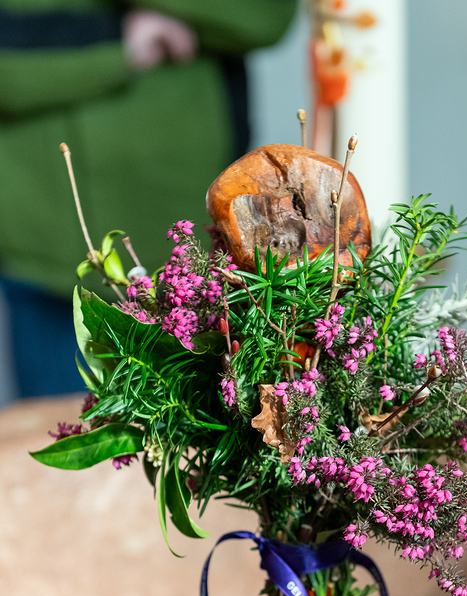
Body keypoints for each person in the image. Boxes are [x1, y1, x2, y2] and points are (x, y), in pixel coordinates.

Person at [0, 0, 296, 397]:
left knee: (208, 418)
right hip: (44, 255)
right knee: (59, 422)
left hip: (196, 250)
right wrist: (117, 39)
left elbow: (268, 16)